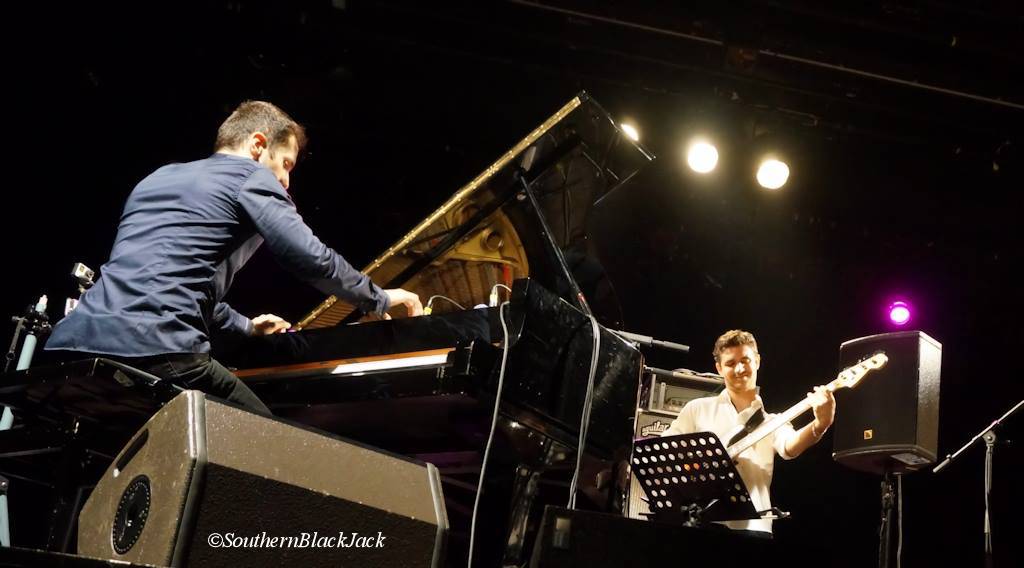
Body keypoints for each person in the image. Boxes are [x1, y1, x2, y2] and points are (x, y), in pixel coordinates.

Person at [45, 100, 422, 415]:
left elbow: (161, 284)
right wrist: (379, 297)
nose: (287, 181)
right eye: (287, 164)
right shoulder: (249, 178)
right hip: (155, 350)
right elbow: (310, 258)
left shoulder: (156, 178)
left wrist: (247, 327)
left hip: (72, 347)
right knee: (265, 448)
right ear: (258, 144)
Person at [660, 329, 835, 536]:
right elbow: (666, 452)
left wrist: (821, 423)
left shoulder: (772, 422)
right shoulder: (697, 409)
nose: (740, 368)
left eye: (746, 360)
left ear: (758, 361)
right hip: (701, 523)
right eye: (730, 363)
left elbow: (792, 446)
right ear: (718, 368)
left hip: (755, 527)